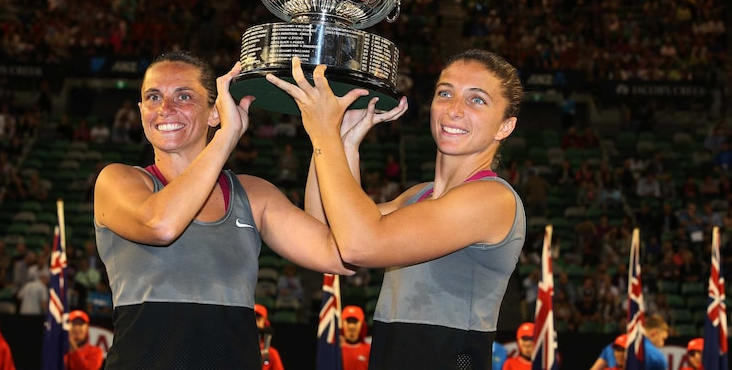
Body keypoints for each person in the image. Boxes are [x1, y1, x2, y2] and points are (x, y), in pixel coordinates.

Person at [268, 49, 526, 369]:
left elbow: (360, 244)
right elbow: (328, 236)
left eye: (477, 100)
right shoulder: (418, 197)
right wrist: (342, 139)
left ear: (505, 126)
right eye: (445, 93)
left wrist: (324, 134)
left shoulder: (491, 199)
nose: (454, 109)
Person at [93, 52, 352, 369]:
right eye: (153, 97)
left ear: (214, 112)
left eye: (183, 96)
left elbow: (339, 252)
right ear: (141, 111)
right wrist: (227, 136)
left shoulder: (253, 195)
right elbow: (160, 225)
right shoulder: (118, 181)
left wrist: (333, 138)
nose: (165, 109)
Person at [588, 314, 669, 370]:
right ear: (655, 333)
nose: (663, 344)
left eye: (622, 350)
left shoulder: (611, 347)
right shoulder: (658, 357)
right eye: (663, 339)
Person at [254, 304, 284, 370]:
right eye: (252, 319)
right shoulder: (239, 347)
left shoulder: (271, 353)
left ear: (265, 323)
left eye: (258, 319)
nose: (254, 323)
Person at [341, 305, 371, 370]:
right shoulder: (336, 350)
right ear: (342, 323)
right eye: (348, 321)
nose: (351, 326)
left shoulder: (369, 350)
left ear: (362, 324)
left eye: (355, 322)